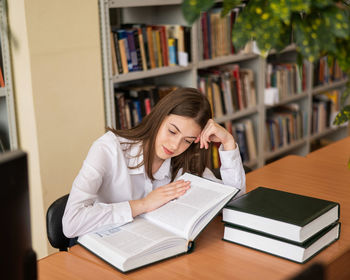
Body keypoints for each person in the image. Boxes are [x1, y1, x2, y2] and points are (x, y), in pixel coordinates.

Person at [62, 87, 246, 238]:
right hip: (107, 250)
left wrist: (228, 143)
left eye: (188, 140)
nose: (175, 146)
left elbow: (233, 205)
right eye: (172, 131)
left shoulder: (186, 160)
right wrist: (143, 204)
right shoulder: (108, 149)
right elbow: (71, 223)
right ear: (159, 117)